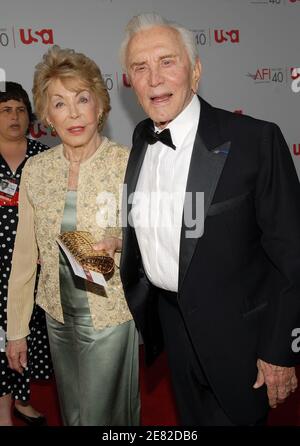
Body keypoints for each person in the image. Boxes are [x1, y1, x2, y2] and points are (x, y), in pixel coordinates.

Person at [119, 13, 300, 426]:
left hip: (241, 339)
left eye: (167, 61)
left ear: (195, 70)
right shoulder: (140, 139)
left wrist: (281, 351)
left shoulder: (256, 140)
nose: (154, 78)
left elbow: (293, 254)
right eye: (140, 68)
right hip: (171, 330)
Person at [6, 46, 140, 426]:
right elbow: (23, 255)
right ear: (47, 116)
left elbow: (155, 235)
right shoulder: (36, 169)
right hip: (57, 316)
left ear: (100, 105)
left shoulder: (127, 162)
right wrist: (16, 331)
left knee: (105, 417)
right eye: (60, 104)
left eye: (83, 99)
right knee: (75, 413)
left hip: (110, 314)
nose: (75, 113)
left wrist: (121, 242)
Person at [0, 82, 52, 426]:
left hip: (31, 269)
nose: (14, 117)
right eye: (5, 110)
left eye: (20, 109)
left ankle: (21, 399)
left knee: (26, 336)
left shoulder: (44, 157)